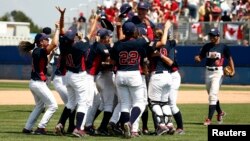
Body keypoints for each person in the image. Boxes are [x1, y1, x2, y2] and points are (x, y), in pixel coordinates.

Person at [54, 7, 99, 137]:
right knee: (83, 103)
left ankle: (61, 123)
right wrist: (95, 20)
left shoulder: (63, 43)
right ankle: (78, 128)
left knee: (71, 102)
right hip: (79, 76)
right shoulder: (79, 46)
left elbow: (62, 31)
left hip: (67, 76)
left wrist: (62, 15)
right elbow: (90, 34)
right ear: (73, 38)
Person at [19, 17, 59, 134]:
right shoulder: (40, 50)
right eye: (46, 39)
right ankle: (41, 127)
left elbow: (46, 60)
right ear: (41, 42)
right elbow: (55, 43)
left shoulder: (38, 50)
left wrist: (51, 52)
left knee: (40, 106)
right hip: (38, 83)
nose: (48, 40)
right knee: (53, 106)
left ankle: (27, 128)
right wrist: (57, 29)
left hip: (34, 83)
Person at [110, 22, 148, 138]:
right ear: (133, 32)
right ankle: (130, 123)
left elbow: (112, 61)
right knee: (140, 103)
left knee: (125, 104)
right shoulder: (140, 43)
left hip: (120, 74)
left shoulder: (117, 45)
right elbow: (144, 59)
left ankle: (126, 129)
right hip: (134, 73)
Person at [194, 28, 235, 126]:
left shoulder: (223, 47)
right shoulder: (207, 46)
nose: (211, 37)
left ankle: (208, 119)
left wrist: (233, 70)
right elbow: (200, 57)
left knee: (212, 95)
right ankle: (220, 112)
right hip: (208, 72)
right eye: (210, 35)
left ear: (218, 36)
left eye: (213, 35)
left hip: (218, 73)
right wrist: (197, 58)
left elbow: (230, 59)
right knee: (212, 95)